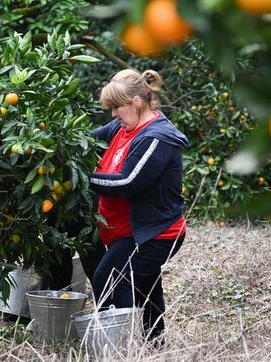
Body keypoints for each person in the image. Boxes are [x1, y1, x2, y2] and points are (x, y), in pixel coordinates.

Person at [88, 68, 189, 342]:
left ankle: (121, 347)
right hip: (131, 230)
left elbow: (128, 182)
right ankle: (154, 342)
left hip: (155, 234)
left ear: (136, 103)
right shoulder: (120, 128)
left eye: (116, 108)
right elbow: (83, 142)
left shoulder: (156, 137)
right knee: (142, 285)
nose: (112, 115)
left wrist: (85, 177)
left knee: (111, 279)